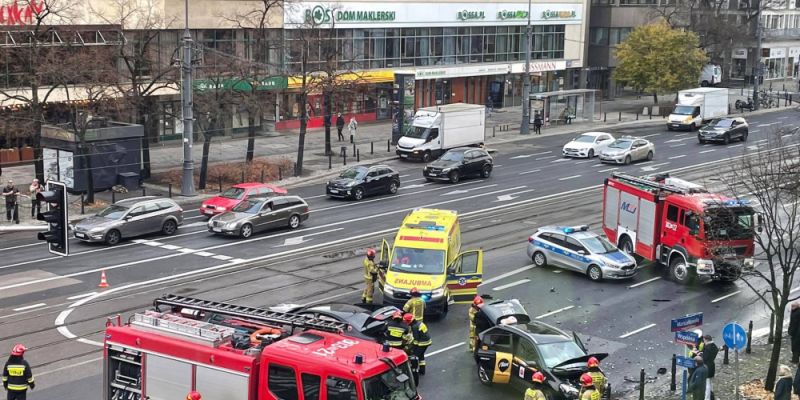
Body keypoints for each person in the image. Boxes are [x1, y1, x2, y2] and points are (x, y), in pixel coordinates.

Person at [404, 312, 431, 377]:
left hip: (422, 343)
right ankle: (422, 370)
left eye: (406, 321)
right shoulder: (419, 323)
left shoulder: (414, 327)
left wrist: (412, 347)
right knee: (421, 355)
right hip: (426, 341)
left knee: (415, 357)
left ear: (409, 321)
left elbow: (416, 339)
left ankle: (414, 372)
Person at [701, 334, 719, 400]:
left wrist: (700, 355)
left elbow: (705, 358)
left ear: (706, 340)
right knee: (711, 383)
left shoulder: (707, 347)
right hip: (712, 366)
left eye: (704, 340)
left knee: (707, 384)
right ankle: (712, 396)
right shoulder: (714, 346)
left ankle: (707, 398)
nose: (704, 342)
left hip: (707, 367)